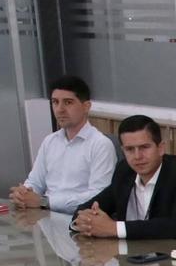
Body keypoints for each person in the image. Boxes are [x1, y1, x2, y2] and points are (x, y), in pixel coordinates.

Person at [70, 114, 176, 242]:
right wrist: (83, 221)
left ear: (160, 148)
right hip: (132, 256)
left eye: (144, 147)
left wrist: (113, 228)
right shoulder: (125, 171)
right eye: (130, 149)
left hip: (173, 260)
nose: (137, 156)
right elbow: (88, 206)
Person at [8, 75, 117, 216]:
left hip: (80, 222)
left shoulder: (100, 144)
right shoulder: (50, 141)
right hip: (45, 218)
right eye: (55, 102)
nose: (59, 109)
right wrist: (23, 193)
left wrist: (44, 202)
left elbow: (97, 197)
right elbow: (35, 182)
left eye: (68, 102)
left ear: (86, 107)